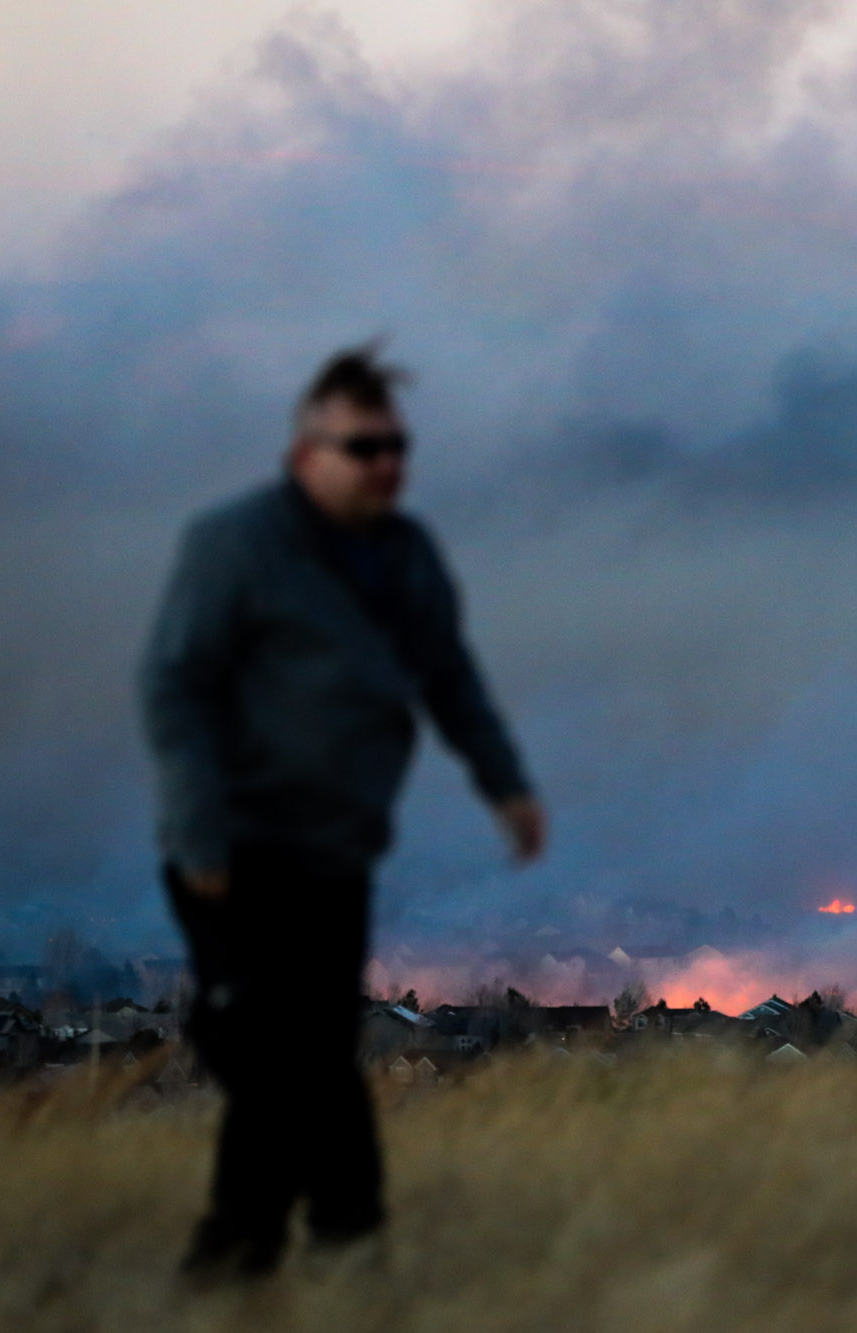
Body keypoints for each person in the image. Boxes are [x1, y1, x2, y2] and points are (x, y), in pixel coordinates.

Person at [139, 345, 545, 1279]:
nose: (386, 466)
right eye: (363, 447)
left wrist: (505, 784)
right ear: (305, 453)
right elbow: (175, 688)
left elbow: (448, 675)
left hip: (335, 854)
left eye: (396, 446)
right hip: (235, 849)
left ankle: (294, 1247)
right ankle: (309, 1237)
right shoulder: (236, 545)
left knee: (310, 1051)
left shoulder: (405, 557)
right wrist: (201, 831)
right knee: (271, 1049)